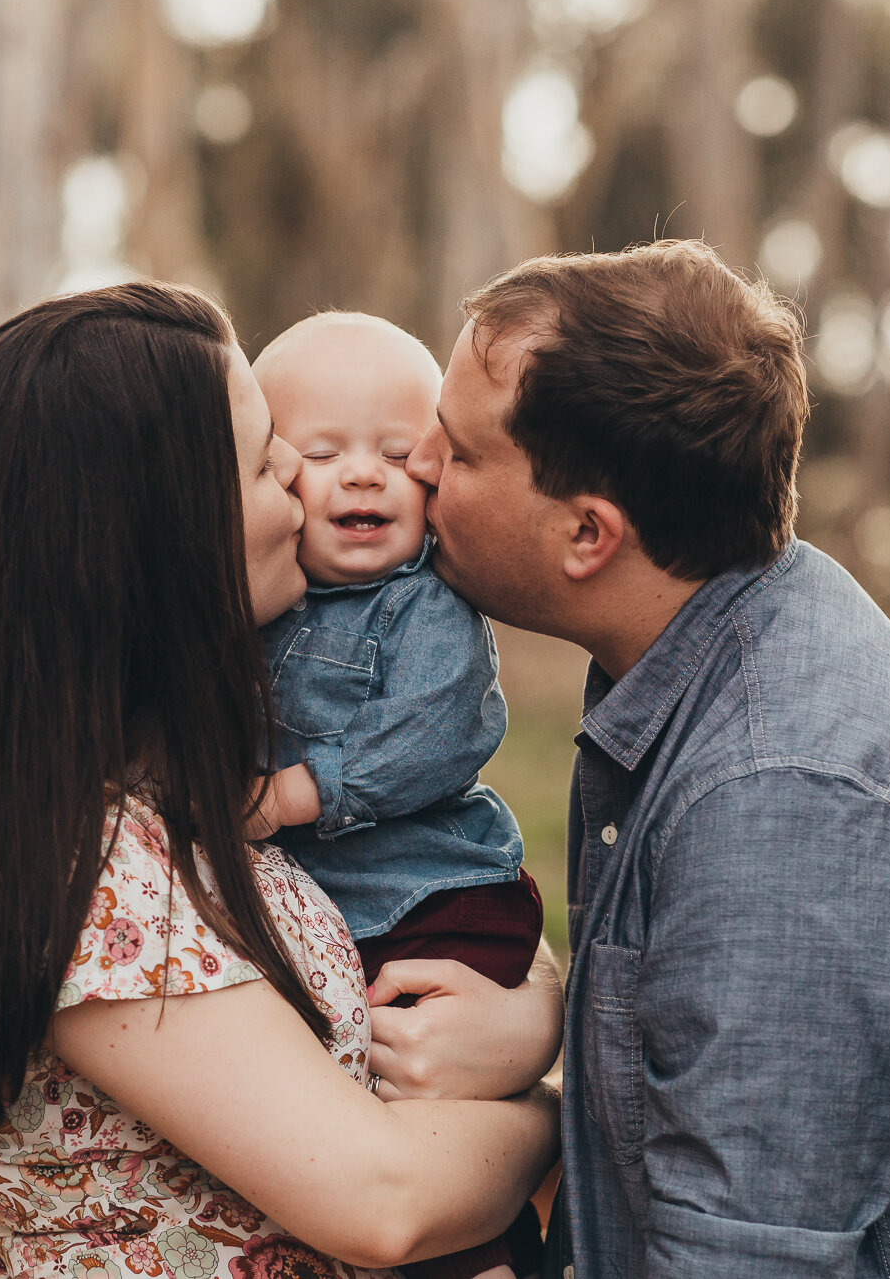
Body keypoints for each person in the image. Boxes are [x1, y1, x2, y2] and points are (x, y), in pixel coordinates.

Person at [376, 240, 890, 1277]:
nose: (418, 464)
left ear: (586, 535)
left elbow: (741, 1256)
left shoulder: (781, 790)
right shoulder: (719, 635)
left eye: (462, 453)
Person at [0, 283, 562, 1279]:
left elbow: (417, 886)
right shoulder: (88, 870)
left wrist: (528, 1012)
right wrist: (554, 1107)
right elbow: (383, 1201)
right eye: (266, 458)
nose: (306, 477)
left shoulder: (167, 784)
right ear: (161, 539)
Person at [246, 311, 547, 1279]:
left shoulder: (426, 607)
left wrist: (294, 794)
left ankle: (486, 1257)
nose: (364, 475)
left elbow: (437, 734)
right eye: (321, 453)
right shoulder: (262, 603)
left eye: (395, 453)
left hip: (434, 904)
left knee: (424, 1100)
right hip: (333, 914)